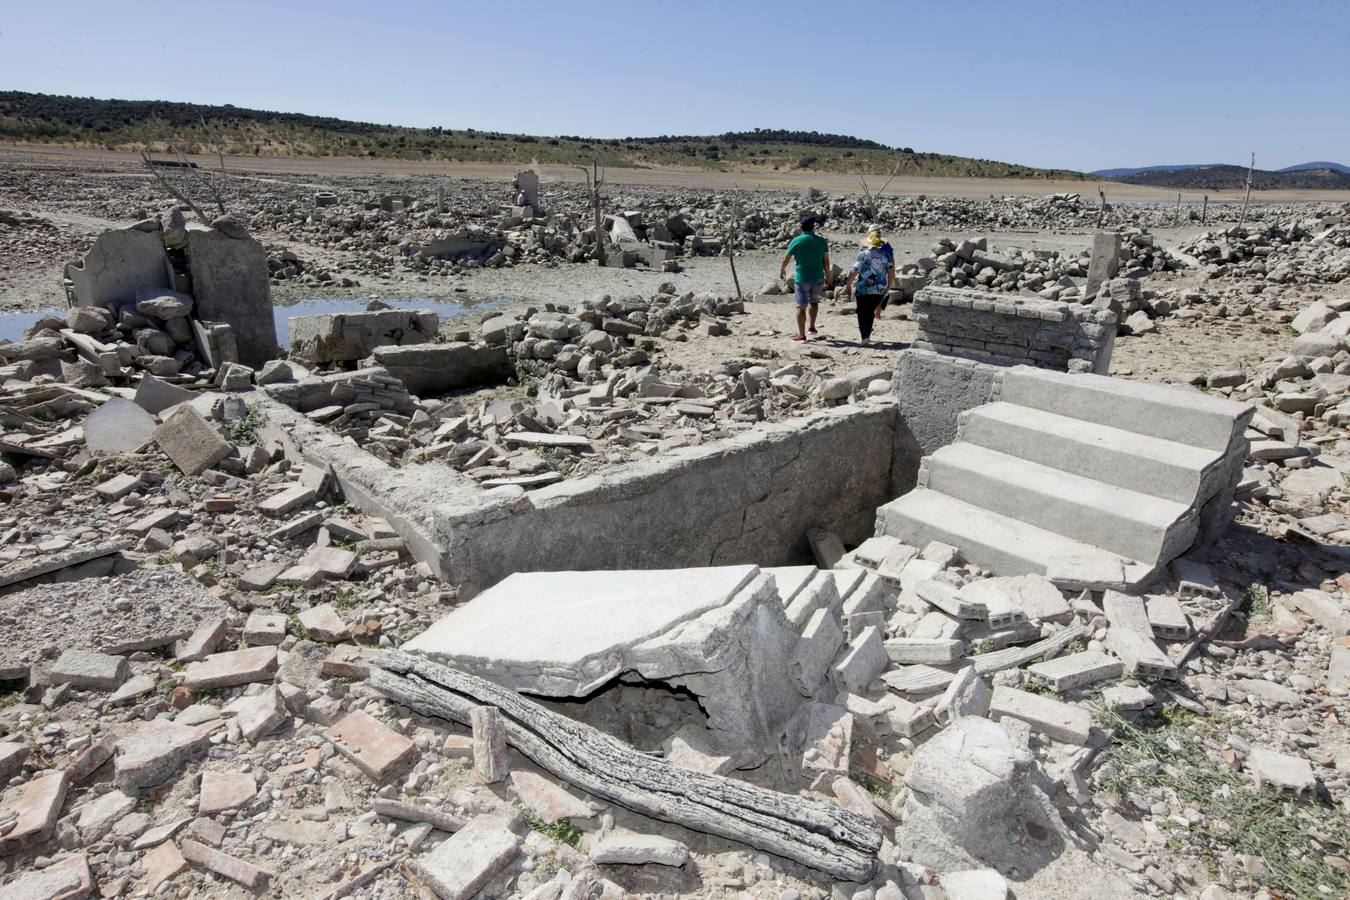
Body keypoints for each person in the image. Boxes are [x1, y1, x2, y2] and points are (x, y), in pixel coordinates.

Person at [779, 215, 831, 342]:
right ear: (814, 227)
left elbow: (786, 258)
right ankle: (812, 327)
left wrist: (782, 270)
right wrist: (828, 276)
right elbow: (826, 261)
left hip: (802, 277)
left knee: (800, 306)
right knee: (814, 302)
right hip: (818, 276)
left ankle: (801, 335)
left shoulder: (796, 241)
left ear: (801, 227)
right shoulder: (821, 241)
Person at [844, 227, 894, 345]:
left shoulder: (863, 254)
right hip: (879, 289)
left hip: (863, 289)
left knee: (862, 313)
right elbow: (891, 272)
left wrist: (848, 284)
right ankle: (867, 336)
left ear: (869, 242)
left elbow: (854, 270)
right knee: (870, 312)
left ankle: (865, 336)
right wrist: (888, 286)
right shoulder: (886, 255)